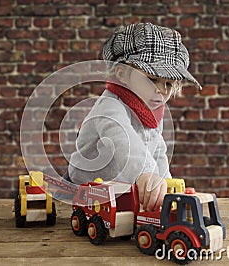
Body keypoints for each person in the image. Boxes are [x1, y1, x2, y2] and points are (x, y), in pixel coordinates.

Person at [67, 23, 202, 211]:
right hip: (88, 186)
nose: (162, 91)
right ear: (122, 74)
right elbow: (123, 141)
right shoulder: (109, 107)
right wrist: (146, 173)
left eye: (169, 84)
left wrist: (166, 184)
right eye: (153, 79)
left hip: (125, 186)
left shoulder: (153, 109)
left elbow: (157, 150)